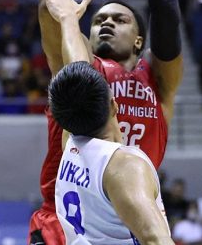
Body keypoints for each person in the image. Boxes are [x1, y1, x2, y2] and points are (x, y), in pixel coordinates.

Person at [32, 0, 183, 245]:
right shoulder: (83, 73)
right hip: (62, 225)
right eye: (98, 19)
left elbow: (166, 14)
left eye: (119, 18)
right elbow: (54, 7)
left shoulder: (158, 81)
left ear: (139, 39)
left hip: (125, 220)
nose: (104, 23)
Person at [50, 62, 173, 245]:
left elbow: (72, 60)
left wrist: (70, 31)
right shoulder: (124, 167)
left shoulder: (69, 144)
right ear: (114, 105)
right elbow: (156, 240)